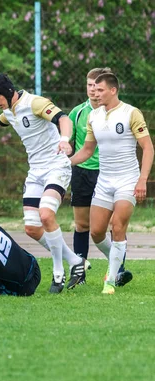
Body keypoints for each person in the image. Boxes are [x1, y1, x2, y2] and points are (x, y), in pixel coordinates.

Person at [0, 73, 88, 293]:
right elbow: (0, 119)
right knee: (32, 227)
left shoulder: (35, 103)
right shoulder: (9, 110)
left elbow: (64, 119)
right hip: (36, 172)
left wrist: (64, 140)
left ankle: (58, 273)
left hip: (55, 166)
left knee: (46, 215)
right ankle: (75, 261)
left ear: (9, 92)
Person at [69, 73, 153, 295]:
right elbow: (87, 150)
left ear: (113, 90)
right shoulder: (93, 116)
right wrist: (65, 162)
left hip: (127, 180)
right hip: (104, 181)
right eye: (94, 90)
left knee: (117, 225)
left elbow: (148, 148)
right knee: (96, 232)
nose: (95, 93)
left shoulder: (131, 113)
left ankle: (111, 280)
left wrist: (142, 179)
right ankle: (117, 263)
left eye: (100, 90)